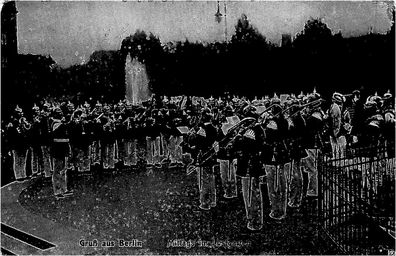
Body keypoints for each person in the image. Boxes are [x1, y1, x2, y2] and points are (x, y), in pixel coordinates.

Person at [50, 107, 73, 199]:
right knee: (57, 170)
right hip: (57, 149)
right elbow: (59, 129)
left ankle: (64, 189)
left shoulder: (62, 123)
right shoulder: (54, 123)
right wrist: (69, 121)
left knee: (64, 169)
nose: (60, 113)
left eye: (60, 111)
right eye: (58, 112)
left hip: (64, 147)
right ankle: (57, 191)